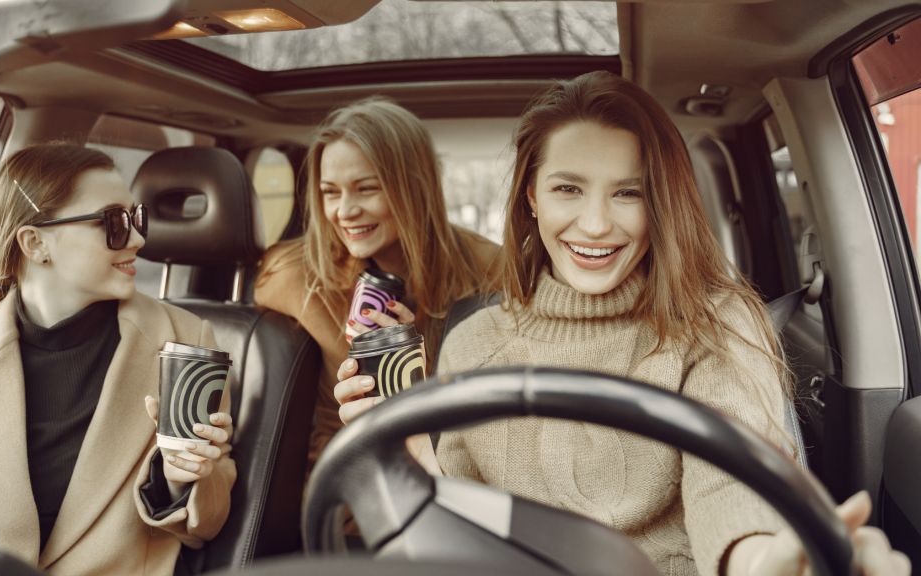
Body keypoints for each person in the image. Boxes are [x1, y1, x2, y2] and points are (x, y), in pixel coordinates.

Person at [334, 72, 910, 576]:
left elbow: (733, 503)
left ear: (659, 202)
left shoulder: (716, 327)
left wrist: (779, 562)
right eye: (568, 188)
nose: (594, 224)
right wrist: (413, 465)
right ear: (531, 196)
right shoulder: (472, 343)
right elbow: (462, 539)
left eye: (628, 193)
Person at [0, 143, 236, 576]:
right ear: (35, 242)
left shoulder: (185, 341)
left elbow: (208, 524)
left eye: (136, 218)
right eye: (113, 222)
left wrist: (177, 479)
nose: (137, 238)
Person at [255, 97, 501, 474]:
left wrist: (421, 369)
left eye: (366, 188)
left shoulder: (491, 272)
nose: (345, 211)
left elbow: (500, 423)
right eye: (330, 192)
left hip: (457, 472)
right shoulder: (299, 275)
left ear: (413, 188)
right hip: (349, 480)